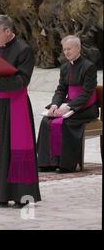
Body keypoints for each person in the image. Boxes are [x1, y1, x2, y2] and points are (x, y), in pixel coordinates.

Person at [0, 15, 41, 208]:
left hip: (16, 105)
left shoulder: (24, 50)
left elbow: (23, 80)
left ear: (8, 32)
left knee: (16, 149)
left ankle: (21, 196)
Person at [37, 35, 99, 173]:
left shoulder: (89, 67)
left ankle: (66, 164)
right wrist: (54, 105)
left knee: (66, 123)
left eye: (69, 49)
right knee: (46, 120)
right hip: (70, 104)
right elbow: (61, 90)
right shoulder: (65, 67)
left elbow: (87, 93)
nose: (66, 52)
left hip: (86, 107)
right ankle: (48, 162)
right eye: (64, 49)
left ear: (78, 48)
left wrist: (69, 107)